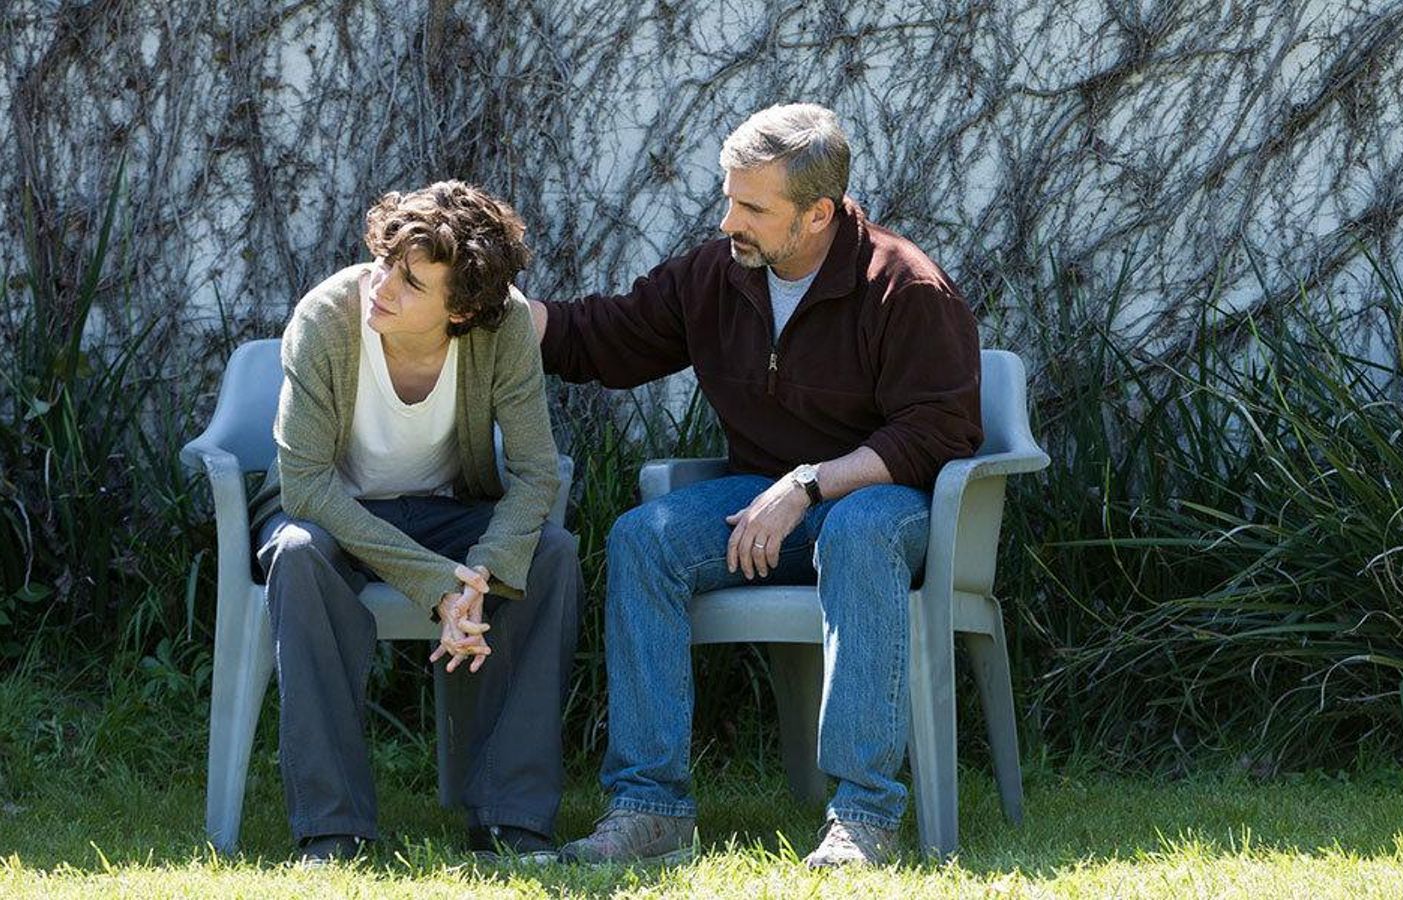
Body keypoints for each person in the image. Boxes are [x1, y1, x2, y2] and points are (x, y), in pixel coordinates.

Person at [534, 104, 983, 868]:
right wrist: (503, 314)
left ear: (818, 213)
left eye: (750, 206)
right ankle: (651, 810)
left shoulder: (904, 288)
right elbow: (606, 337)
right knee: (643, 539)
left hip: (889, 505)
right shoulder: (720, 274)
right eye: (727, 195)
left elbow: (939, 434)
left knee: (859, 527)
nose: (727, 219)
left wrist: (807, 485)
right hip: (763, 500)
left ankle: (865, 817)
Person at [250, 181, 581, 864]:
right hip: (329, 516)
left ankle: (510, 820)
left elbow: (536, 472)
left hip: (445, 514)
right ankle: (331, 830)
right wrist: (435, 583)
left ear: (460, 311)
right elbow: (306, 485)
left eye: (410, 282)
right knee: (297, 556)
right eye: (384, 262)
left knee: (549, 554)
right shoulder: (326, 317)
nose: (382, 286)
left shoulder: (506, 326)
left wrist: (482, 571)